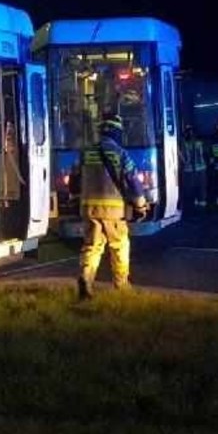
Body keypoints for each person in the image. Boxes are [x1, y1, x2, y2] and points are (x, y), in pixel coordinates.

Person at [78, 115, 150, 299]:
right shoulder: (120, 153)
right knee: (119, 246)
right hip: (114, 210)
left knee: (92, 246)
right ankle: (121, 284)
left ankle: (86, 278)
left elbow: (75, 179)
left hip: (89, 209)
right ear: (117, 132)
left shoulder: (86, 152)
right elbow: (133, 180)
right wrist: (141, 205)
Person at [180, 124, 208, 209]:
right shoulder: (200, 142)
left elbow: (184, 159)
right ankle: (202, 205)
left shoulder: (184, 144)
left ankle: (193, 205)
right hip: (201, 169)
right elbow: (206, 154)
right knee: (201, 188)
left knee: (190, 189)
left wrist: (178, 153)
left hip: (189, 171)